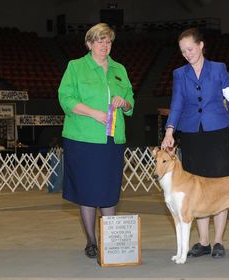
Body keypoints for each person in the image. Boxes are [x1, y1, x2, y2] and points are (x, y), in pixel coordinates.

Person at [161, 28, 229, 259]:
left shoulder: (219, 69)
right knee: (197, 192)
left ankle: (218, 242)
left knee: (220, 188)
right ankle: (203, 241)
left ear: (201, 45)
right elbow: (176, 103)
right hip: (191, 134)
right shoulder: (179, 74)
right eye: (183, 51)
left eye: (191, 49)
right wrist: (169, 130)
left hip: (217, 133)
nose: (187, 54)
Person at [58, 23, 134, 259]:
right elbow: (66, 98)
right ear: (89, 44)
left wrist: (125, 102)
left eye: (108, 41)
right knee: (88, 191)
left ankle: (110, 241)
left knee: (109, 191)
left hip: (113, 140)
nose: (105, 45)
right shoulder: (76, 67)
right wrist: (94, 113)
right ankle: (92, 241)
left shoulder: (119, 68)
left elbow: (131, 102)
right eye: (100, 41)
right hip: (83, 140)